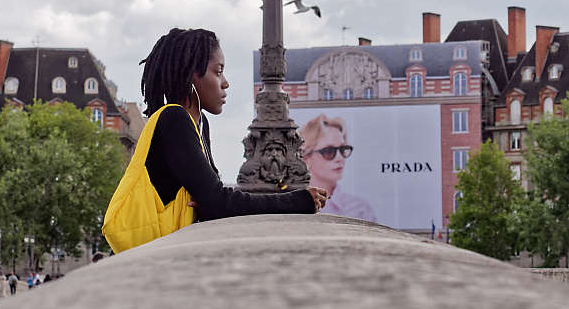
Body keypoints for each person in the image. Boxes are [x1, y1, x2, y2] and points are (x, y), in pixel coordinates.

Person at [103, 28, 329, 253]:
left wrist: (211, 201)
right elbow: (218, 203)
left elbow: (213, 201)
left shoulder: (199, 124)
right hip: (146, 255)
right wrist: (298, 201)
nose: (225, 83)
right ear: (191, 74)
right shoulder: (174, 119)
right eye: (218, 71)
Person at [299, 114, 377, 222]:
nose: (339, 158)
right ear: (306, 158)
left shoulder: (360, 209)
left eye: (342, 149)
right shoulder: (293, 204)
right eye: (329, 151)